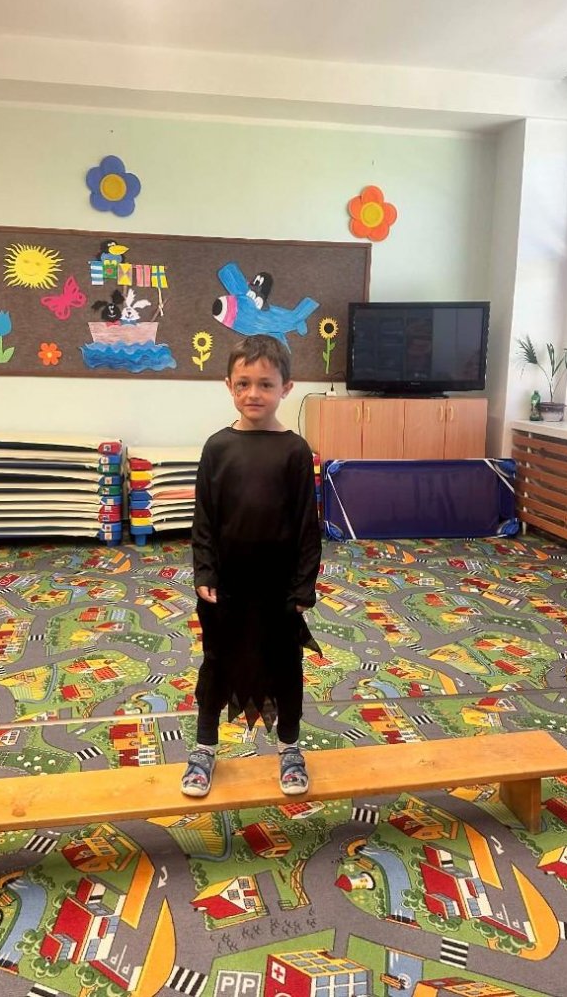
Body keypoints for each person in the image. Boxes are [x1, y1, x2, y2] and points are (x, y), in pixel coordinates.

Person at [182, 334, 322, 798]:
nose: (253, 393)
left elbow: (306, 526)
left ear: (286, 388)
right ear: (229, 385)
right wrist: (204, 572)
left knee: (285, 664)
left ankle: (290, 748)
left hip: (279, 587)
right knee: (217, 663)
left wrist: (303, 587)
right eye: (243, 383)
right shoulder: (217, 447)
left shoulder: (295, 451)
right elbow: (204, 519)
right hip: (227, 585)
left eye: (265, 384)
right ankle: (204, 748)